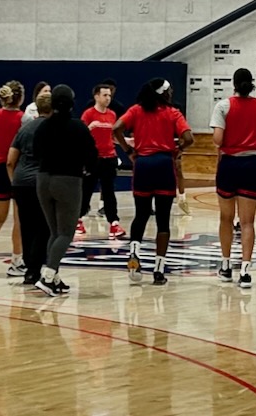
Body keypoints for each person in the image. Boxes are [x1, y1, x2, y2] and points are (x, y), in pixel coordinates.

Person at [116, 78, 192, 284]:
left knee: (140, 215)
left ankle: (134, 255)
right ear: (164, 93)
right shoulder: (173, 113)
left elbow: (116, 129)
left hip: (143, 164)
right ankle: (159, 269)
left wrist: (128, 151)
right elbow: (189, 137)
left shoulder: (136, 110)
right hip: (164, 165)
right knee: (163, 220)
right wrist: (178, 151)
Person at [210, 68, 256, 292]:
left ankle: (226, 264)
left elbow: (218, 140)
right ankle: (246, 270)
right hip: (252, 165)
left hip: (229, 163)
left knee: (226, 218)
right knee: (247, 222)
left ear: (234, 84)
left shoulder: (223, 106)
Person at [32, 85, 98, 296]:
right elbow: (92, 157)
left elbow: (35, 152)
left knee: (55, 232)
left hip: (43, 180)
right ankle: (47, 276)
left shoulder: (42, 127)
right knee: (66, 233)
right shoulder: (78, 127)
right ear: (72, 103)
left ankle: (55, 277)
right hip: (67, 181)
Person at [5, 90, 49, 287]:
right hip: (42, 182)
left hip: (21, 183)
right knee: (44, 227)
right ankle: (40, 269)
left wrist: (14, 182)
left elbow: (10, 161)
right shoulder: (53, 128)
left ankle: (29, 271)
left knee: (27, 226)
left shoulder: (24, 128)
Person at [80, 80, 124, 239]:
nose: (108, 98)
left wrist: (127, 143)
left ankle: (114, 223)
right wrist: (90, 127)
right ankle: (78, 219)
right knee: (86, 190)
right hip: (93, 158)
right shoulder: (88, 114)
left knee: (109, 191)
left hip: (109, 157)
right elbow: (81, 135)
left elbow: (113, 136)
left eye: (109, 95)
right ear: (97, 96)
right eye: (105, 95)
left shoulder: (112, 115)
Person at [0, 82, 25, 254]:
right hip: (16, 169)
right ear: (20, 97)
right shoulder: (24, 118)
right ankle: (17, 260)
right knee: (19, 219)